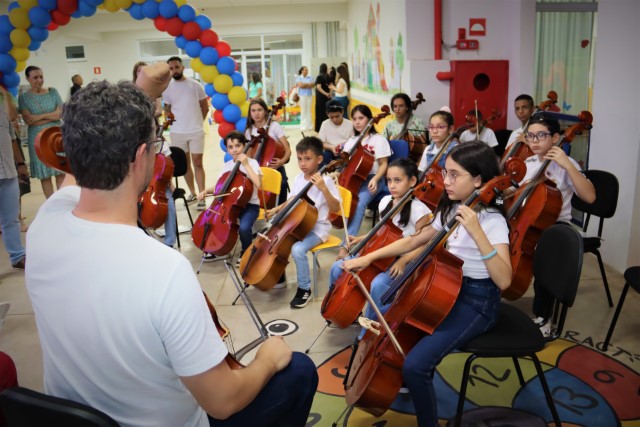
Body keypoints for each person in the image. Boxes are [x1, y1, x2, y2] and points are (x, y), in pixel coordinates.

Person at [25, 67, 318, 427]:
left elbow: (78, 166)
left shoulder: (45, 225)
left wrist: (141, 92)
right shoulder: (164, 270)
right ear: (141, 157)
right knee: (298, 368)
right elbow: (224, 401)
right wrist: (267, 360)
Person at [342, 142, 512, 427]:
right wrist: (367, 257)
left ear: (478, 180)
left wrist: (477, 232)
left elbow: (504, 279)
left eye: (454, 175)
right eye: (446, 173)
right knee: (401, 329)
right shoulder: (452, 209)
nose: (446, 181)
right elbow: (413, 241)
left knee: (415, 366)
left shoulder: (492, 221)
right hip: (445, 292)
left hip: (478, 303)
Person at [329, 158, 432, 335]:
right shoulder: (385, 201)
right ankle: (345, 311)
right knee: (337, 267)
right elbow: (382, 232)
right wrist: (361, 238)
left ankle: (371, 329)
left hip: (400, 259)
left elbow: (425, 243)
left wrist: (404, 261)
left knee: (378, 284)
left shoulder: (420, 210)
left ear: (412, 181)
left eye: (397, 180)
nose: (392, 185)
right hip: (378, 253)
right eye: (389, 180)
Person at [520, 114, 596, 335]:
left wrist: (568, 165)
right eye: (530, 136)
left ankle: (544, 317)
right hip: (528, 222)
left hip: (557, 226)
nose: (534, 141)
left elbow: (590, 197)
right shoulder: (528, 163)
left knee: (546, 252)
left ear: (555, 138)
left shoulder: (566, 164)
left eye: (541, 135)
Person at [265, 136, 339, 308]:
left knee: (297, 249)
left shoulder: (326, 181)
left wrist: (323, 189)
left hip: (317, 230)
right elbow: (293, 199)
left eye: (307, 159)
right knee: (276, 238)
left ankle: (304, 289)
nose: (303, 163)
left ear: (319, 159)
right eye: (299, 159)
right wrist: (276, 210)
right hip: (299, 224)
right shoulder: (299, 178)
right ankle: (278, 276)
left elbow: (335, 208)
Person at [197, 131, 262, 266]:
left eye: (238, 146)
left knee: (244, 227)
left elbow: (259, 184)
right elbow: (220, 186)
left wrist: (246, 165)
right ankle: (219, 248)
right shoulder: (227, 166)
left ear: (244, 146)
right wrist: (205, 191)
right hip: (230, 204)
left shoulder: (252, 163)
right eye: (231, 147)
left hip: (250, 205)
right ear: (227, 149)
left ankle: (246, 251)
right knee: (216, 222)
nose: (235, 150)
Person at [337, 104, 391, 259]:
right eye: (354, 119)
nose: (357, 122)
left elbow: (384, 164)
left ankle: (345, 246)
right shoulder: (352, 140)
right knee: (342, 199)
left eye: (361, 118)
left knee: (359, 203)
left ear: (369, 120)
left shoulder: (379, 140)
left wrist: (375, 178)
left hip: (373, 179)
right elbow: (346, 164)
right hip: (354, 179)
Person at [134, 61, 177, 248]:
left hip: (157, 182)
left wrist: (169, 181)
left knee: (169, 204)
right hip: (138, 179)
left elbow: (167, 162)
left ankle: (169, 241)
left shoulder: (160, 142)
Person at [162, 56, 210, 211]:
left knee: (198, 163)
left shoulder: (195, 85)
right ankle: (193, 193)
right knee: (185, 164)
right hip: (177, 132)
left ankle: (202, 195)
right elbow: (167, 110)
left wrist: (197, 122)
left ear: (182, 67)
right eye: (171, 68)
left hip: (195, 131)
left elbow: (205, 107)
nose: (174, 70)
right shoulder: (167, 88)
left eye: (177, 67)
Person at [18, 65, 64, 199]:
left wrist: (39, 116)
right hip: (38, 138)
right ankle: (52, 205)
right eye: (35, 77)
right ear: (28, 79)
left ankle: (63, 203)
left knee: (60, 171)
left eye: (41, 77)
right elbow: (30, 121)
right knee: (45, 175)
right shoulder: (24, 98)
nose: (39, 80)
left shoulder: (53, 92)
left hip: (56, 135)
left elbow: (61, 114)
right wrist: (52, 116)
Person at [244, 98, 291, 206]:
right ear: (250, 113)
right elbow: (248, 155)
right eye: (253, 110)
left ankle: (281, 209)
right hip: (257, 167)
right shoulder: (249, 131)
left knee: (282, 184)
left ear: (265, 111)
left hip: (274, 166)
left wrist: (281, 162)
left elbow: (288, 150)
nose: (256, 113)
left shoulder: (274, 126)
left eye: (259, 110)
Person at [0, 85, 26, 269]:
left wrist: (21, 164)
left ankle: (18, 256)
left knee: (11, 219)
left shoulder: (3, 108)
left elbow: (12, 139)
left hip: (8, 172)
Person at [317, 99, 353, 167]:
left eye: (337, 116)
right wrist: (331, 147)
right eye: (331, 117)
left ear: (342, 112)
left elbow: (354, 143)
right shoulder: (325, 124)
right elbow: (321, 143)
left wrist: (343, 148)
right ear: (327, 114)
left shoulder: (350, 124)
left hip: (346, 153)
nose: (335, 119)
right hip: (330, 151)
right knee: (319, 162)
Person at [295, 66, 313, 132]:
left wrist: (304, 84)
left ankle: (309, 126)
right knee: (303, 111)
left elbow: (312, 85)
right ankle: (303, 127)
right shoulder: (299, 78)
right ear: (302, 71)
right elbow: (300, 85)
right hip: (302, 96)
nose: (307, 71)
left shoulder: (310, 77)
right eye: (305, 70)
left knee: (309, 111)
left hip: (309, 95)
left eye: (307, 70)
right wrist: (308, 84)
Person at [314, 63, 331, 132]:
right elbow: (330, 86)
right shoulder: (328, 76)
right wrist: (328, 93)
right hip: (327, 97)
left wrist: (325, 93)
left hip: (320, 97)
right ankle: (327, 128)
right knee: (326, 112)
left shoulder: (319, 77)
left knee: (320, 112)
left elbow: (319, 87)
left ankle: (320, 128)